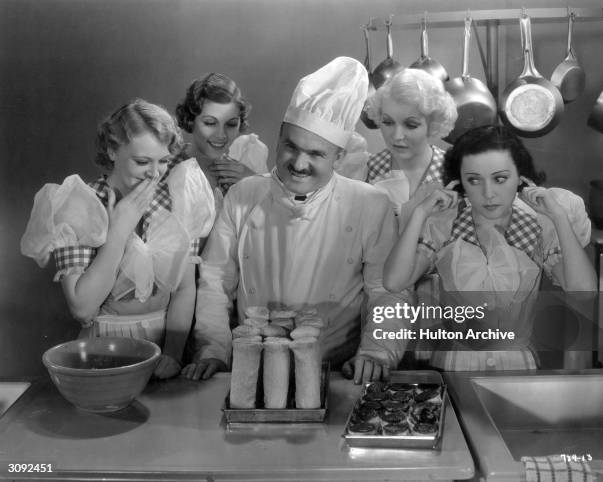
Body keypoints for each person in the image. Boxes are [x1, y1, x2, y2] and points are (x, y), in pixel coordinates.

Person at [181, 57, 413, 383]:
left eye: (316, 154)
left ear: (339, 157)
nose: (300, 163)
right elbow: (215, 282)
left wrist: (377, 350)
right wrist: (213, 349)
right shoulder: (244, 196)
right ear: (279, 138)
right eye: (291, 147)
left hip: (333, 375)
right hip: (252, 370)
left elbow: (389, 292)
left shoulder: (370, 204)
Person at [21, 99, 216, 379]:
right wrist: (118, 233)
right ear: (112, 150)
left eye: (163, 161)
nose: (154, 173)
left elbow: (185, 288)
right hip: (105, 351)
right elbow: (83, 307)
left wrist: (172, 354)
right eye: (141, 161)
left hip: (169, 347)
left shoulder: (178, 199)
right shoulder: (79, 204)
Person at [383, 125, 596, 370]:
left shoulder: (540, 226)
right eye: (474, 180)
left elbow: (584, 292)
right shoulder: (444, 224)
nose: (488, 193)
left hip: (517, 366)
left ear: (521, 177)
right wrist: (420, 213)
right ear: (459, 182)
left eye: (500, 178)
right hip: (453, 365)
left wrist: (558, 217)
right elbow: (394, 282)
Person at [365, 68, 457, 219]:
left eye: (411, 125)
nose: (397, 136)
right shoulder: (365, 170)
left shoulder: (452, 171)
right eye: (388, 122)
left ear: (433, 124)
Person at [175, 72, 268, 204]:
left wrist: (257, 186)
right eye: (210, 123)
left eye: (231, 124)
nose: (221, 135)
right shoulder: (163, 167)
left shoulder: (242, 174)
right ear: (190, 120)